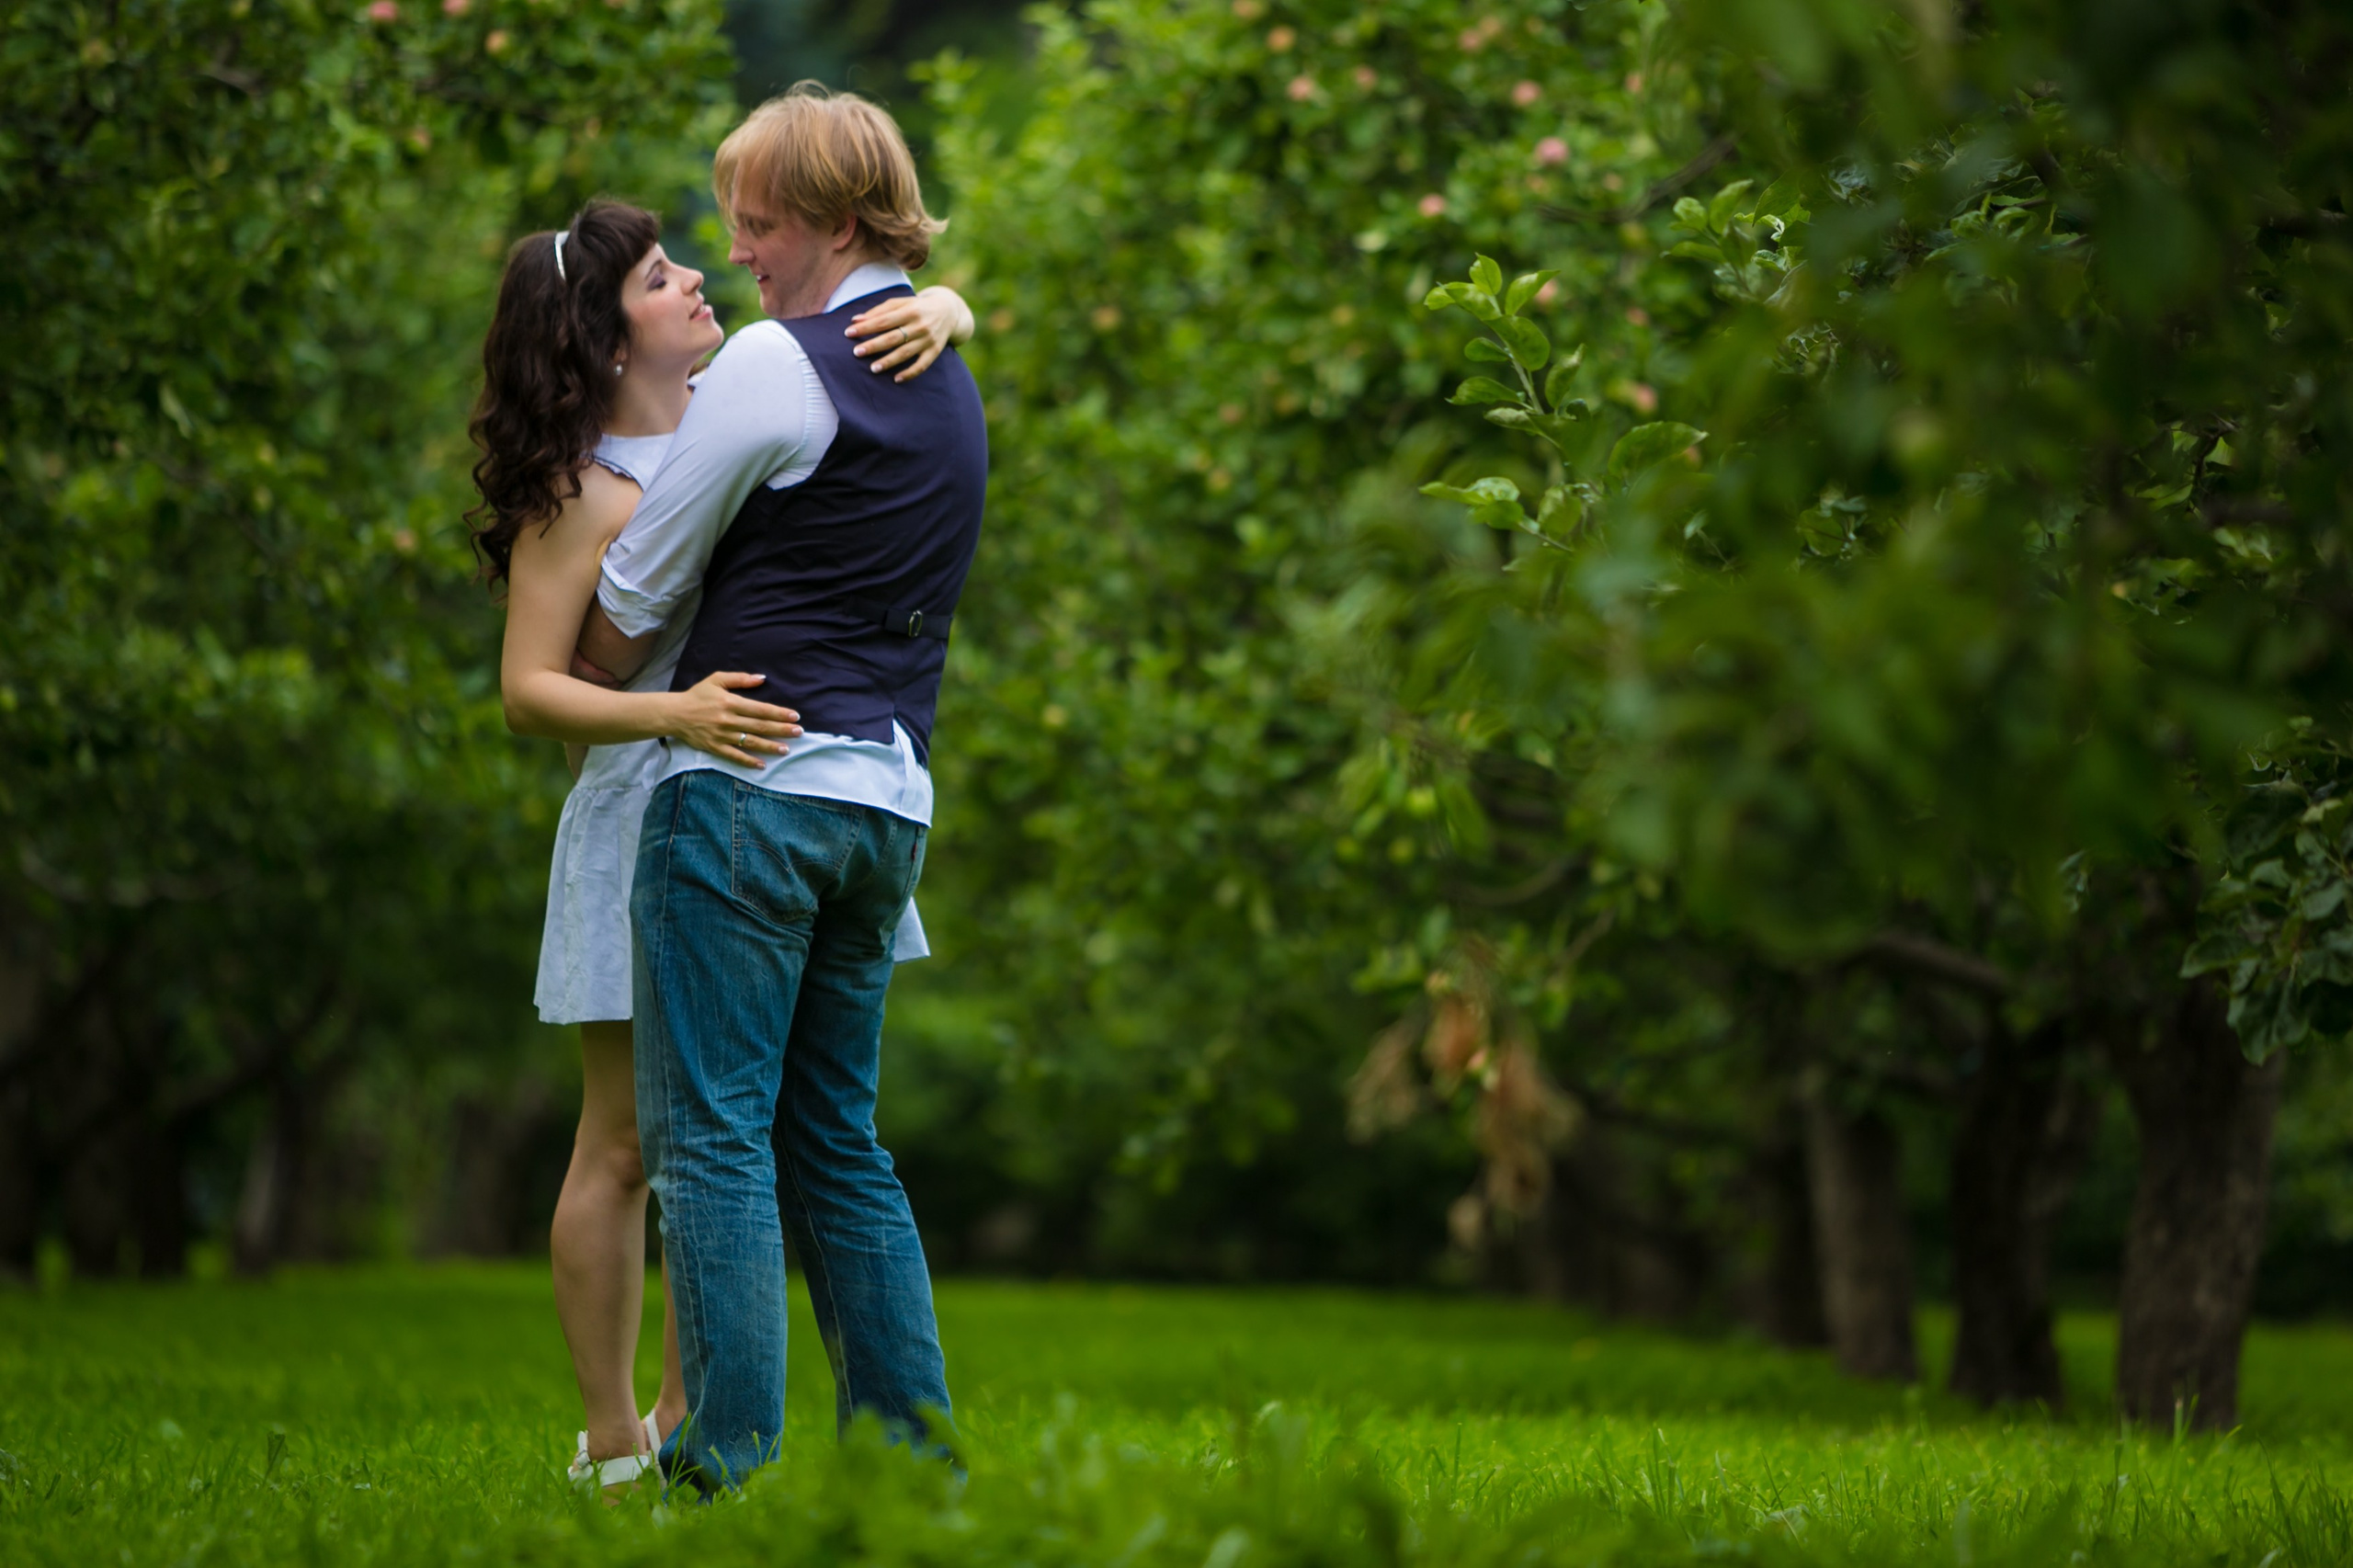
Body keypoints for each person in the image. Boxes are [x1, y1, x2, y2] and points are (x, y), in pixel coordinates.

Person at [464, 198, 973, 1492]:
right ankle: (610, 1433)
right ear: (601, 334)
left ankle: (695, 1409)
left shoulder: (746, 404)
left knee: (726, 1127)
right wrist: (670, 711)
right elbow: (530, 689)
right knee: (630, 1139)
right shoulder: (577, 496)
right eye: (656, 277)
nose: (699, 276)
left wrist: (952, 309)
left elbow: (862, 352)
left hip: (762, 788)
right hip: (652, 790)